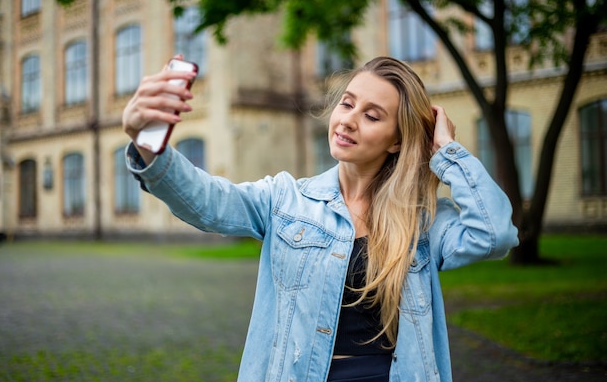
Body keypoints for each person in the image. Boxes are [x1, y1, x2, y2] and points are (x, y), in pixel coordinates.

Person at [123, 56, 519, 382]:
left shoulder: (423, 223)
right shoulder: (285, 200)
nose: (347, 120)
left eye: (372, 115)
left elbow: (495, 233)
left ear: (397, 140)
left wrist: (447, 151)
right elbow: (207, 202)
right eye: (347, 103)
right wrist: (147, 146)